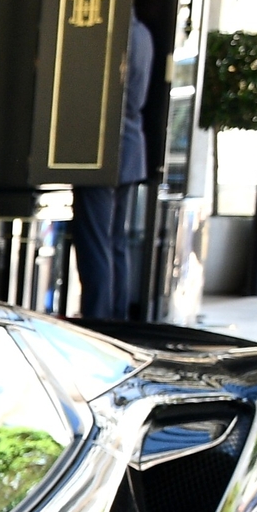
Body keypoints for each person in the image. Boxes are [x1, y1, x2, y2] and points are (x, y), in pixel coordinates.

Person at [74, 17, 154, 321]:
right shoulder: (142, 33)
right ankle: (116, 316)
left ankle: (99, 320)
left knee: (96, 241)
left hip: (103, 150)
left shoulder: (112, 34)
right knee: (115, 240)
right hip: (131, 148)